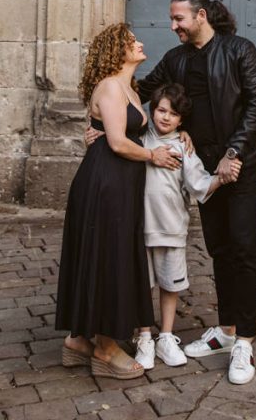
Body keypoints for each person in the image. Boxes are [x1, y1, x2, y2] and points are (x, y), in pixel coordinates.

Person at [137, 0, 256, 386]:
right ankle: (226, 332)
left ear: (200, 16)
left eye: (179, 19)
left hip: (239, 166)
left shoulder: (239, 50)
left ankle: (245, 340)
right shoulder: (175, 59)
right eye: (172, 19)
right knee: (220, 249)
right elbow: (140, 92)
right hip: (204, 171)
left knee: (244, 249)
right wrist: (99, 118)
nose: (173, 25)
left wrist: (234, 152)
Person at [56, 23, 181, 380]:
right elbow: (116, 142)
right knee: (107, 257)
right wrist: (153, 156)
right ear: (117, 51)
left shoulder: (128, 87)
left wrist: (180, 131)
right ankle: (106, 349)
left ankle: (78, 341)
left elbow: (116, 130)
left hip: (119, 183)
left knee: (103, 254)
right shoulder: (111, 86)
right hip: (105, 184)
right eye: (132, 41)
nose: (140, 44)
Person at [133, 83, 241, 371]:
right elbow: (115, 141)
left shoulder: (183, 147)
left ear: (182, 120)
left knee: (170, 283)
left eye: (174, 114)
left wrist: (222, 177)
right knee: (142, 283)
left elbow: (199, 184)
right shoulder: (140, 139)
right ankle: (144, 336)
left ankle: (166, 336)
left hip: (170, 227)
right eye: (161, 110)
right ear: (152, 110)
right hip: (139, 227)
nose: (166, 118)